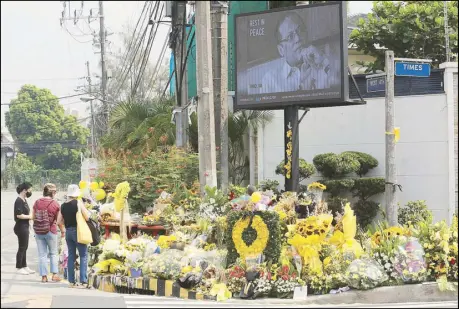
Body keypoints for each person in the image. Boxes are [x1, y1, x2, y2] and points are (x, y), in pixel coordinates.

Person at [260, 12, 338, 94]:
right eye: (290, 36)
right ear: (281, 50)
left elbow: (338, 92)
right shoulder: (270, 79)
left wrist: (324, 61)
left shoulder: (324, 62)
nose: (298, 38)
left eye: (300, 31)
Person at [57, 184, 91, 288]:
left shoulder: (63, 205)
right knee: (83, 255)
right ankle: (83, 281)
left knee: (71, 256)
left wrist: (67, 222)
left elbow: (59, 221)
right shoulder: (78, 203)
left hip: (68, 232)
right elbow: (87, 217)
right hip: (78, 231)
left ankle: (71, 281)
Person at [32, 183, 63, 283]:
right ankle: (54, 275)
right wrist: (62, 231)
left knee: (42, 254)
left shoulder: (37, 202)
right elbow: (59, 221)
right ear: (53, 193)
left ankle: (44, 277)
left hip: (38, 231)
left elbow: (33, 217)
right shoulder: (55, 204)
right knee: (53, 253)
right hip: (51, 230)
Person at [13, 182, 35, 275]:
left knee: (25, 246)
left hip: (25, 226)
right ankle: (19, 267)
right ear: (24, 190)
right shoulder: (18, 200)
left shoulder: (24, 200)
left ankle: (24, 265)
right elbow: (19, 215)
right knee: (22, 247)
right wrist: (30, 217)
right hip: (20, 227)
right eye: (29, 189)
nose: (30, 191)